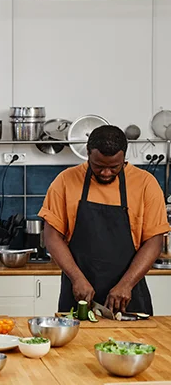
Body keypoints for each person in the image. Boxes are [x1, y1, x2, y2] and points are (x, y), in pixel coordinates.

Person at [39, 125, 168, 315]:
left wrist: (126, 285)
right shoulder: (65, 181)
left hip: (128, 297)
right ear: (88, 154)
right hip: (78, 296)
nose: (106, 173)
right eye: (98, 166)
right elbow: (52, 237)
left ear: (124, 157)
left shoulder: (146, 184)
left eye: (114, 167)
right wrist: (77, 279)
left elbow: (154, 241)